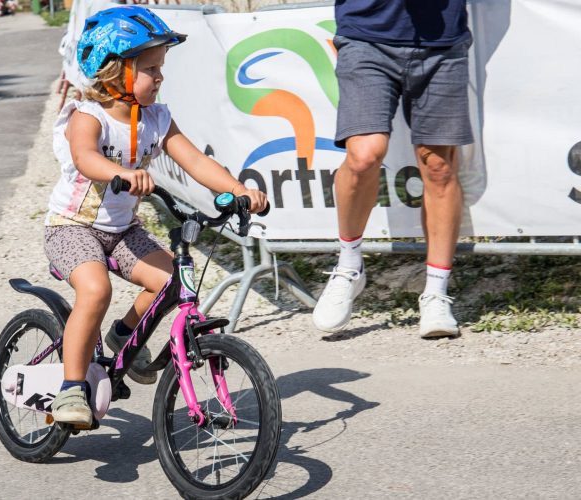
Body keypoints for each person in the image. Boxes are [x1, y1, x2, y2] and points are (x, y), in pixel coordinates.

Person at [44, 6, 267, 427]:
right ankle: (71, 388)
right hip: (71, 227)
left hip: (123, 230)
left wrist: (238, 192)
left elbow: (196, 162)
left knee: (171, 282)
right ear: (114, 71)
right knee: (95, 290)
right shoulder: (87, 117)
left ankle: (123, 336)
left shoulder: (157, 118)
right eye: (150, 68)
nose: (160, 77)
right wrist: (122, 173)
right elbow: (86, 157)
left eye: (160, 67)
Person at [312, 1, 474, 339]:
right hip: (365, 34)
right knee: (363, 156)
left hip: (442, 39)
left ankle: (436, 292)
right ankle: (349, 264)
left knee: (439, 166)